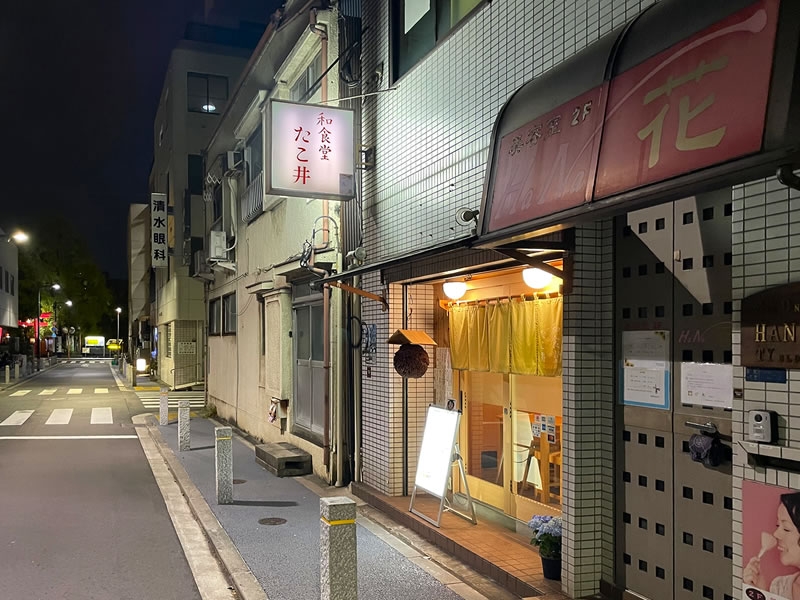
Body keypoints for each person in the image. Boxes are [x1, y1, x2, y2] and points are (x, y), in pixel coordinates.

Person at [744, 492, 800, 599]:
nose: (775, 534)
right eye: (778, 525)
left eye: (786, 528)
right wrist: (762, 593)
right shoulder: (779, 586)